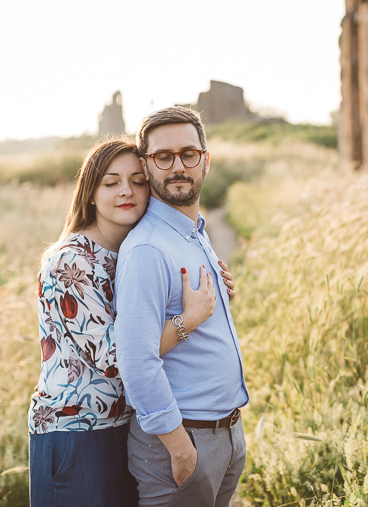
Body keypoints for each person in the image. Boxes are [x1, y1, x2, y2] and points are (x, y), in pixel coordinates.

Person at [27, 138, 237, 506]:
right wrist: (188, 319)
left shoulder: (132, 252)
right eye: (111, 182)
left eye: (138, 181)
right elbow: (115, 357)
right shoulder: (70, 262)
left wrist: (214, 294)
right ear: (90, 192)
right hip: (76, 432)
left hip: (128, 428)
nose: (126, 192)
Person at [114, 107, 249, 506]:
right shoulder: (147, 249)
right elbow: (136, 361)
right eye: (163, 156)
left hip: (223, 434)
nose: (178, 166)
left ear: (206, 161)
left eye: (189, 154)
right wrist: (180, 447)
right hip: (183, 439)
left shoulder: (193, 231)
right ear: (145, 164)